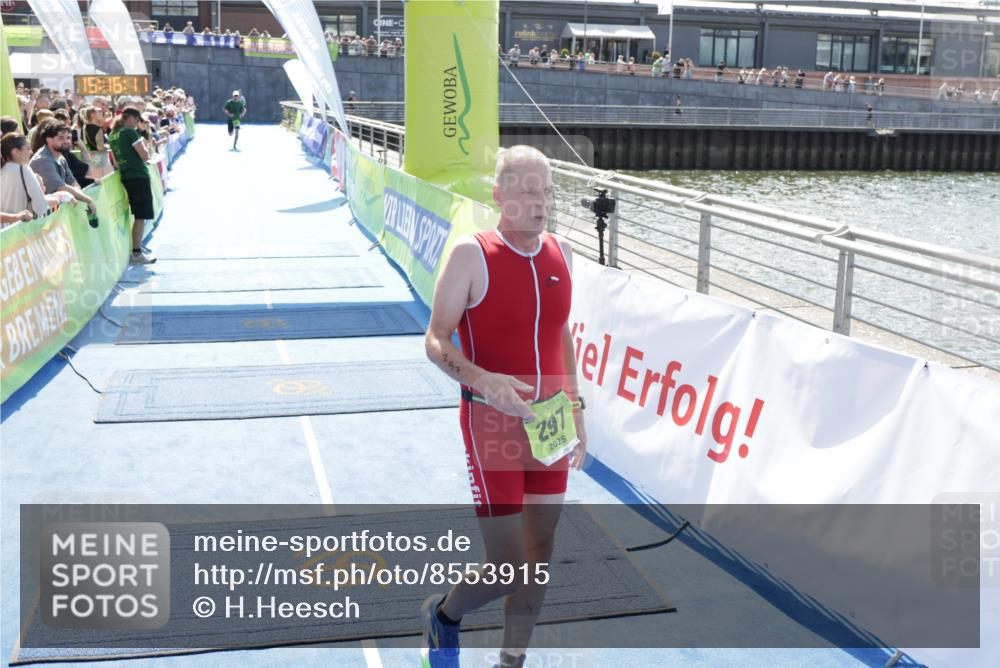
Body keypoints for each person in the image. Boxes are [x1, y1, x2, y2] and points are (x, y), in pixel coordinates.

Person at [422, 145, 586, 668]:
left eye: (547, 192)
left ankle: (510, 663)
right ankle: (444, 615)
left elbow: (560, 333)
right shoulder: (473, 254)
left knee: (540, 556)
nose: (540, 202)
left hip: (552, 423)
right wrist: (482, 378)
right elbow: (436, 339)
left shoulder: (560, 252)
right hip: (492, 424)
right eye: (527, 191)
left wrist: (577, 408)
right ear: (499, 195)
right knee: (508, 567)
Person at [108, 108, 156, 264]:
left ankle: (136, 248)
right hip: (138, 176)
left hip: (126, 176)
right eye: (137, 118)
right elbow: (145, 155)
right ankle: (136, 253)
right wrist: (144, 142)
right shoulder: (129, 132)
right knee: (141, 216)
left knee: (139, 216)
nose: (137, 122)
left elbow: (115, 162)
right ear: (130, 118)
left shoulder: (113, 134)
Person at [28, 120, 96, 216]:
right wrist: (88, 200)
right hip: (41, 219)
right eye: (60, 138)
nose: (66, 141)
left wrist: (78, 194)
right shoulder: (42, 160)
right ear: (48, 140)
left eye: (68, 138)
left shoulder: (60, 156)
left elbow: (73, 183)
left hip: (57, 215)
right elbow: (61, 188)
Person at [1, 133, 51, 220]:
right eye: (27, 148)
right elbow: (41, 206)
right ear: (16, 152)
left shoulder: (3, 170)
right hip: (23, 229)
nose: (31, 152)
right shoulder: (24, 170)